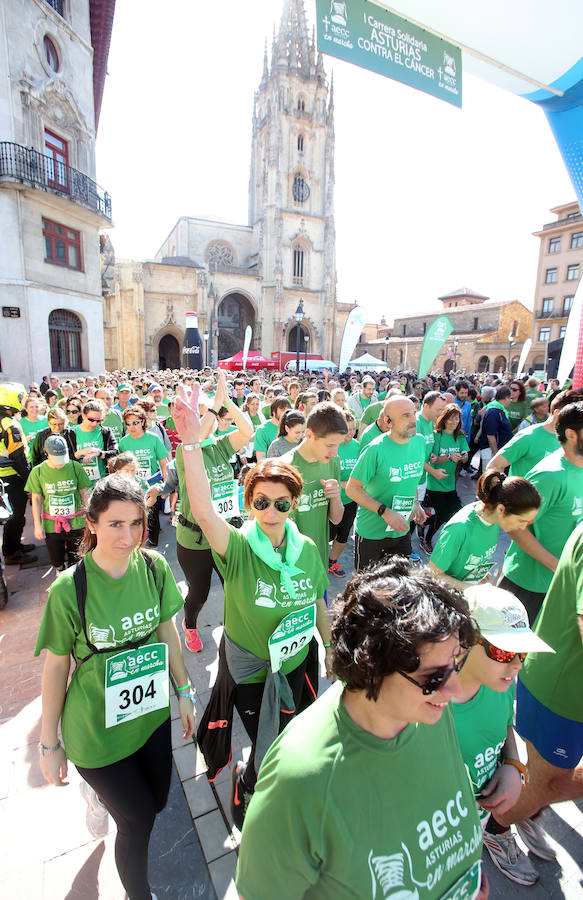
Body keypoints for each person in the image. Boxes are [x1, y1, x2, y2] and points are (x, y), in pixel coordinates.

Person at [236, 557, 488, 900]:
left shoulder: (429, 711)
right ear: (371, 669)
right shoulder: (300, 779)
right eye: (434, 677)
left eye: (457, 662)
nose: (455, 691)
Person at [171, 384, 330, 830]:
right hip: (251, 669)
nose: (272, 510)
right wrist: (190, 444)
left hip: (297, 661)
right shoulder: (238, 546)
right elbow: (203, 511)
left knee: (292, 733)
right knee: (268, 743)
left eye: (282, 502)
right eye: (261, 502)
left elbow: (317, 599)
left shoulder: (307, 549)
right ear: (249, 503)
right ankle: (250, 786)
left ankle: (272, 783)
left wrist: (332, 642)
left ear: (294, 504)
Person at [34, 474, 195, 900]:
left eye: (136, 523)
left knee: (157, 802)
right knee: (138, 820)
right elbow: (55, 668)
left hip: (149, 715)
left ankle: (102, 798)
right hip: (94, 732)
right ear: (91, 524)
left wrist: (185, 691)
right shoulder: (70, 589)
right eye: (115, 524)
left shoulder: (155, 567)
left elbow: (168, 631)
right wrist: (49, 744)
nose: (128, 536)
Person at [452, 584, 555, 886]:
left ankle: (493, 835)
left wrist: (513, 764)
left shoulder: (498, 682)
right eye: (504, 651)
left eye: (522, 652)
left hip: (483, 809)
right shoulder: (432, 708)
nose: (517, 664)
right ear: (463, 641)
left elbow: (504, 724)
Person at [495, 522, 583, 852]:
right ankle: (497, 829)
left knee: (544, 780)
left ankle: (529, 807)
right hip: (560, 694)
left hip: (564, 689)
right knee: (549, 781)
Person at [174, 373, 253, 652]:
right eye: (203, 415)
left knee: (234, 585)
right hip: (194, 537)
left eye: (209, 415)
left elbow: (247, 432)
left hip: (225, 531)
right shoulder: (186, 451)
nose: (206, 420)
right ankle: (190, 625)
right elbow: (196, 433)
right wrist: (212, 407)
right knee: (199, 592)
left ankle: (237, 627)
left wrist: (228, 403)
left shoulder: (220, 446)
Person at [500, 401, 583, 623]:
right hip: (530, 585)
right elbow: (513, 526)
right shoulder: (551, 476)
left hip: (564, 584)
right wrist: (558, 566)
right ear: (571, 435)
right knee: (507, 655)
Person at [347, 395, 427, 571]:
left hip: (401, 530)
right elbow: (352, 489)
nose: (413, 420)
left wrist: (415, 503)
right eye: (406, 415)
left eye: (414, 413)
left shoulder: (420, 442)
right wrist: (384, 511)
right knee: (366, 589)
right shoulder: (375, 449)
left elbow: (410, 478)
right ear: (388, 421)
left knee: (400, 587)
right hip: (372, 533)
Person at [430, 472, 540, 591]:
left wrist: (476, 576)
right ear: (501, 509)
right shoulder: (459, 528)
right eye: (521, 520)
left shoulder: (493, 519)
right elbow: (433, 574)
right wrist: (471, 590)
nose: (523, 527)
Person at [281, 402, 346, 570]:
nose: (335, 453)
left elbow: (337, 518)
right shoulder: (284, 467)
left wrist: (335, 496)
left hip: (319, 561)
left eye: (338, 445)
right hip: (288, 566)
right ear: (309, 434)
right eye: (330, 445)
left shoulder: (333, 462)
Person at [26, 435, 91, 571]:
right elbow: (36, 499)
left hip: (76, 521)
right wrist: (37, 525)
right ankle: (60, 573)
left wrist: (89, 518)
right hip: (52, 524)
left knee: (77, 558)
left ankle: (75, 580)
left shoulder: (75, 467)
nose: (60, 463)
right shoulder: (37, 471)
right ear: (46, 453)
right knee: (57, 559)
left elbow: (84, 493)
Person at [420, 403, 469, 552]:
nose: (454, 422)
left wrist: (462, 457)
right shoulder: (437, 435)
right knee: (441, 516)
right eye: (451, 419)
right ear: (444, 419)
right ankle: (427, 541)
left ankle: (423, 521)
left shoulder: (459, 436)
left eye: (457, 419)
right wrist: (448, 457)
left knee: (456, 513)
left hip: (450, 483)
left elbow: (466, 457)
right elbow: (433, 460)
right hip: (435, 482)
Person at [119, 405, 169, 547]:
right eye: (128, 424)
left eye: (135, 422)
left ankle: (153, 546)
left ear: (143, 421)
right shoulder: (123, 442)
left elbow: (164, 463)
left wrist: (166, 486)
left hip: (152, 486)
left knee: (152, 516)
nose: (132, 426)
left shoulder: (153, 439)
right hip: (132, 487)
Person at [0, 382, 36, 565]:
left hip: (4, 477)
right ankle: (12, 553)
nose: (22, 402)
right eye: (21, 399)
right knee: (16, 516)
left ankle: (14, 546)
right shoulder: (10, 425)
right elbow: (19, 458)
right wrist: (30, 482)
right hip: (13, 478)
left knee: (13, 515)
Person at [328, 410, 359, 578]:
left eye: (354, 429)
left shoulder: (357, 446)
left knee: (344, 533)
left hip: (351, 499)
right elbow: (322, 474)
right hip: (332, 500)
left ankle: (332, 561)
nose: (351, 433)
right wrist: (341, 484)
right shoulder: (332, 447)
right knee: (329, 533)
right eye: (347, 429)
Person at [74, 400, 118, 486]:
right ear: (83, 415)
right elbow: (66, 458)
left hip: (101, 484)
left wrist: (100, 453)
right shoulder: (70, 433)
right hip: (79, 484)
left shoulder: (105, 432)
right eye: (91, 420)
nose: (95, 423)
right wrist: (80, 453)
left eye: (99, 421)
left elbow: (115, 452)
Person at [478, 385, 513, 468]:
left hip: (496, 451)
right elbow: (491, 436)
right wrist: (496, 455)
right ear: (506, 398)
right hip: (490, 452)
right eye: (510, 398)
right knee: (491, 477)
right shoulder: (494, 412)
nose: (511, 401)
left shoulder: (500, 410)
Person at [254, 397, 292, 462]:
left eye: (288, 410)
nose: (286, 413)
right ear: (274, 412)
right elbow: (261, 458)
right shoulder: (262, 430)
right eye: (282, 409)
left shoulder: (293, 427)